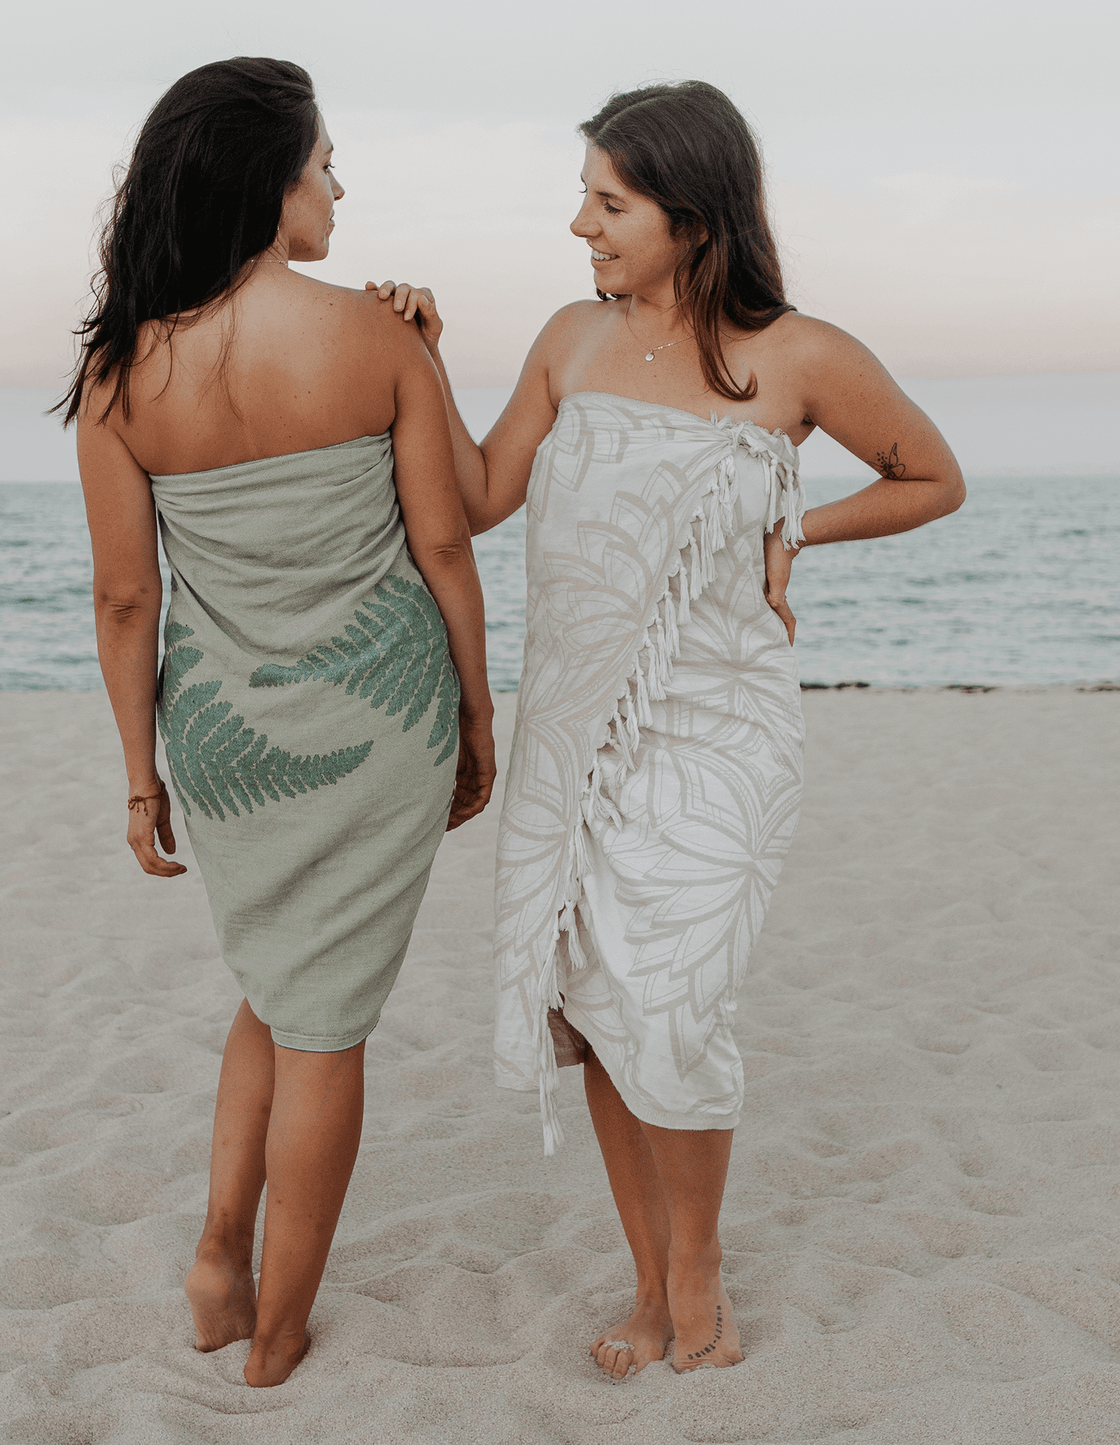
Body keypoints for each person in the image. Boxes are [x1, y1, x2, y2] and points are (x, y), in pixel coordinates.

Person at [370, 79, 964, 1379]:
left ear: (694, 218)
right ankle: (654, 1291)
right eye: (585, 194)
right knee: (594, 1001)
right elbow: (473, 499)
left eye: (609, 200)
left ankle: (701, 1283)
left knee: (676, 1007)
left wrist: (796, 524)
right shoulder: (567, 341)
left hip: (721, 736)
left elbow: (933, 477)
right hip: (574, 733)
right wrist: (417, 356)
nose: (579, 222)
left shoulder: (799, 355)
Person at [61, 57, 495, 1388]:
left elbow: (128, 600)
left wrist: (141, 780)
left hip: (225, 740)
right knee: (327, 1026)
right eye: (324, 164)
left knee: (277, 985)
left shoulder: (119, 371)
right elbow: (451, 533)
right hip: (379, 733)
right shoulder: (373, 340)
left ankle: (216, 1258)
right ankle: (284, 1324)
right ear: (270, 179)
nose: (338, 186)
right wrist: (482, 719)